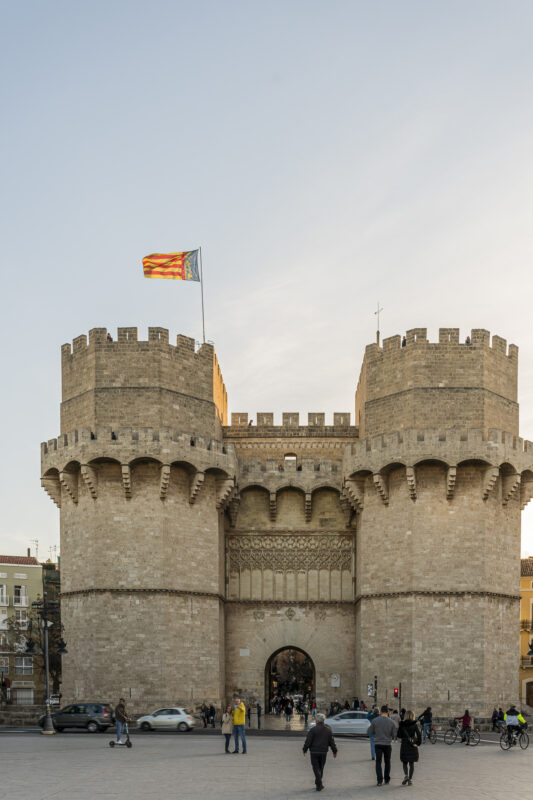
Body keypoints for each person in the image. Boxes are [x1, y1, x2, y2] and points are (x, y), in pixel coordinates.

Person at [302, 712, 338, 792]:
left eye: (315, 719)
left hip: (314, 752)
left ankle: (319, 784)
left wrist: (305, 749)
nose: (315, 721)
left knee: (315, 768)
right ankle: (318, 784)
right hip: (323, 752)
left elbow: (308, 741)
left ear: (317, 721)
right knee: (321, 768)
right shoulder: (328, 730)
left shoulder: (313, 730)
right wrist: (334, 751)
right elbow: (332, 742)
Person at [368, 705, 396, 786]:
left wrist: (376, 733)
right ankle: (387, 779)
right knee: (387, 762)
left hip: (378, 744)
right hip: (387, 744)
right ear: (388, 712)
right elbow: (394, 735)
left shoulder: (375, 720)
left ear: (380, 712)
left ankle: (379, 780)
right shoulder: (391, 722)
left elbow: (370, 732)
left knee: (378, 762)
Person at [397, 710, 421, 786]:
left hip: (404, 744)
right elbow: (419, 735)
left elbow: (399, 735)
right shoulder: (414, 724)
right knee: (411, 763)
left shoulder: (402, 724)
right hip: (412, 744)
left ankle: (406, 775)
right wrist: (417, 743)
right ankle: (410, 779)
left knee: (404, 762)